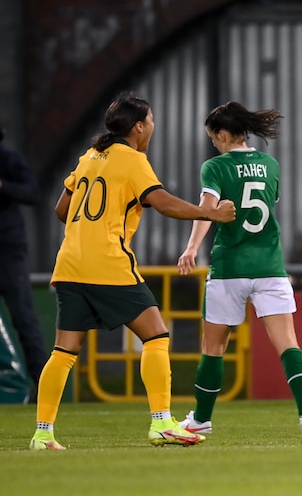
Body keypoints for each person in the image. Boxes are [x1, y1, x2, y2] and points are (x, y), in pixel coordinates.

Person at [30, 92, 237, 450]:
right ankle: (162, 423)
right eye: (152, 120)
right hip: (108, 264)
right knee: (156, 335)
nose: (153, 126)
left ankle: (43, 433)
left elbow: (62, 209)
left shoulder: (89, 157)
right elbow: (163, 203)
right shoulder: (132, 160)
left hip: (69, 265)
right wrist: (211, 214)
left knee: (63, 352)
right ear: (139, 126)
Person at [176, 101, 302, 435]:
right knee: (288, 343)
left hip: (230, 267)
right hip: (270, 266)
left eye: (214, 137)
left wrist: (191, 247)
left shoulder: (215, 167)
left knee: (213, 348)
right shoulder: (270, 165)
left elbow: (207, 210)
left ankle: (201, 420)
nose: (214, 143)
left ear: (224, 134)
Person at [0, 125, 48, 392]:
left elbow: (32, 192)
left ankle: (44, 387)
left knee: (24, 318)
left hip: (8, 251)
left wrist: (3, 186)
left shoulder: (9, 160)